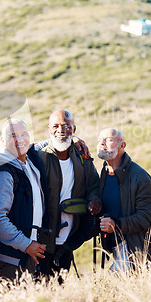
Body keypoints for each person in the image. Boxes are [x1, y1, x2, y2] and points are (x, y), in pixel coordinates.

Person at [37, 109, 100, 278]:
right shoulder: (39, 156)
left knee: (60, 289)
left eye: (66, 126)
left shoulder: (82, 157)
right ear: (49, 129)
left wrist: (94, 199)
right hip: (40, 239)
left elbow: (94, 183)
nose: (61, 130)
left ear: (74, 129)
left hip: (69, 239)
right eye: (55, 126)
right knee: (39, 290)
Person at [0, 119, 49, 281]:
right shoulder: (3, 172)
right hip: (8, 258)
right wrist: (26, 244)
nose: (20, 140)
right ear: (2, 141)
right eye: (13, 136)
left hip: (27, 253)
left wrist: (74, 139)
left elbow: (43, 144)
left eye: (24, 134)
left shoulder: (29, 161)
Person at [95, 128, 151, 270]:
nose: (102, 143)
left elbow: (146, 217)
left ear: (122, 146)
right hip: (115, 247)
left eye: (109, 140)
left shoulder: (140, 178)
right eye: (100, 140)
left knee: (114, 282)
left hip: (136, 247)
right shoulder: (104, 174)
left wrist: (116, 225)